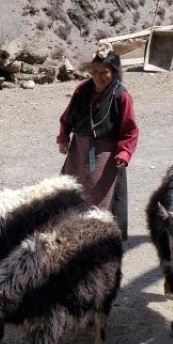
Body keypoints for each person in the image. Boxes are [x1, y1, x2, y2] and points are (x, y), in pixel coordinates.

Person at [56, 50, 140, 240]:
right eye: (95, 71)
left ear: (114, 72)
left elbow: (130, 130)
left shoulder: (121, 96)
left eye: (104, 72)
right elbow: (67, 116)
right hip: (78, 149)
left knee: (98, 196)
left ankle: (96, 238)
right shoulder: (82, 90)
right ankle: (71, 232)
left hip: (105, 153)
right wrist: (63, 137)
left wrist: (124, 153)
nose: (98, 77)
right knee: (71, 189)